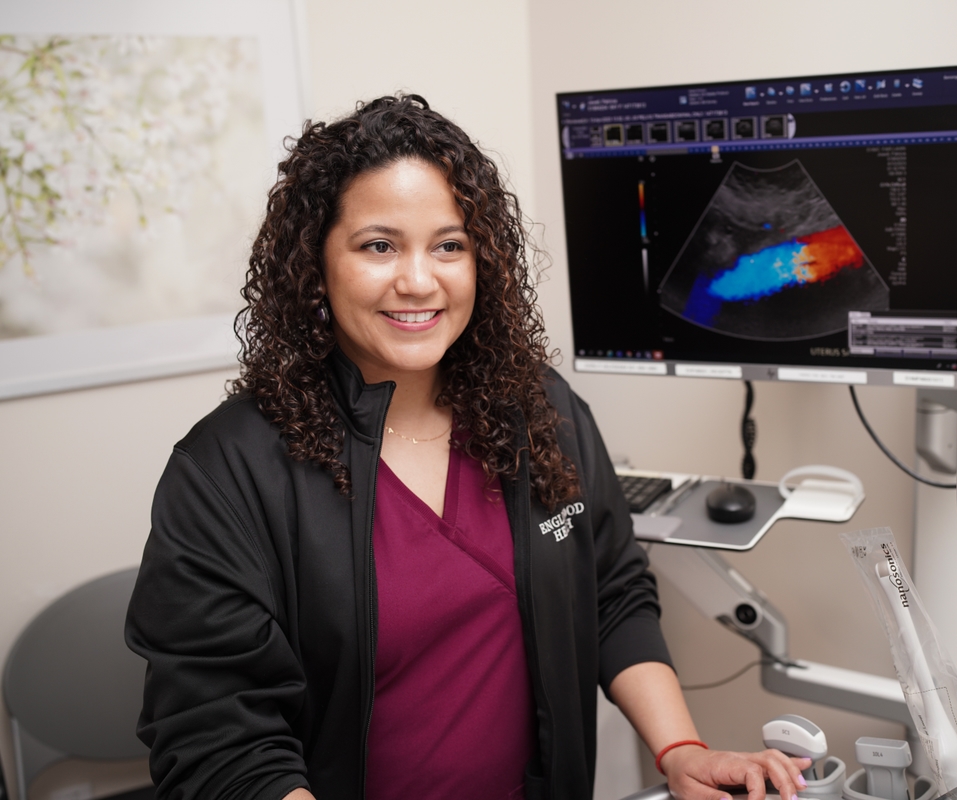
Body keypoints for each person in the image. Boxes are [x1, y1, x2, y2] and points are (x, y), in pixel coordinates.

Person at [125, 94, 810, 800]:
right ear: (316, 265)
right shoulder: (229, 470)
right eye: (378, 245)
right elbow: (218, 738)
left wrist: (681, 750)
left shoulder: (539, 409)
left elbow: (611, 592)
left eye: (449, 245)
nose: (419, 280)